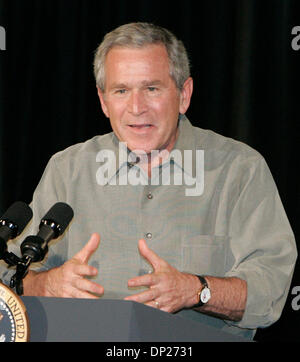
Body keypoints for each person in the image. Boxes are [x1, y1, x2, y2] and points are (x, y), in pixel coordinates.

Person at [0, 22, 297, 340]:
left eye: (152, 88)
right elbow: (9, 275)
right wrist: (47, 284)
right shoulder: (67, 170)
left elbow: (272, 289)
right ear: (103, 102)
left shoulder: (240, 170)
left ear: (184, 95)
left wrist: (197, 290)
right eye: (121, 91)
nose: (137, 108)